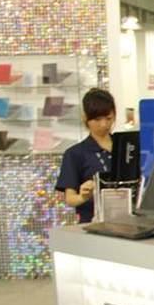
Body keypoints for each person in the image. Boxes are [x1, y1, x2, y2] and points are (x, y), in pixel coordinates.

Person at [55, 88, 116, 223]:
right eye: (97, 119)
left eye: (108, 118)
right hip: (92, 223)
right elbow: (70, 199)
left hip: (126, 221)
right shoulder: (75, 153)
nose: (104, 124)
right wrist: (84, 196)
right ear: (85, 118)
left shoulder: (126, 147)